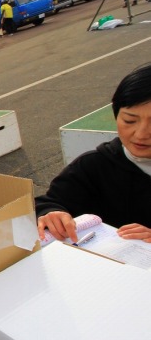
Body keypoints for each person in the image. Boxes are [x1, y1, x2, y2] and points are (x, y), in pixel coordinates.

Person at [36, 62, 151, 244]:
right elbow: (47, 203)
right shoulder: (93, 166)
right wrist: (49, 213)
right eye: (129, 121)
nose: (141, 134)